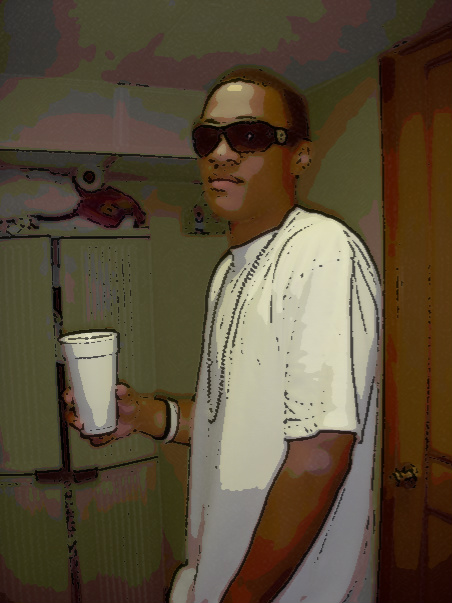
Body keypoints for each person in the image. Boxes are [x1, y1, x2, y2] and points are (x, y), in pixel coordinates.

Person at [65, 65, 381, 603]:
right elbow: (231, 421)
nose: (222, 153)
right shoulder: (229, 276)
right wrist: (141, 415)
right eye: (207, 138)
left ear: (299, 155)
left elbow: (320, 452)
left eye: (249, 136)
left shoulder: (321, 251)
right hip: (215, 576)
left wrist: (242, 596)